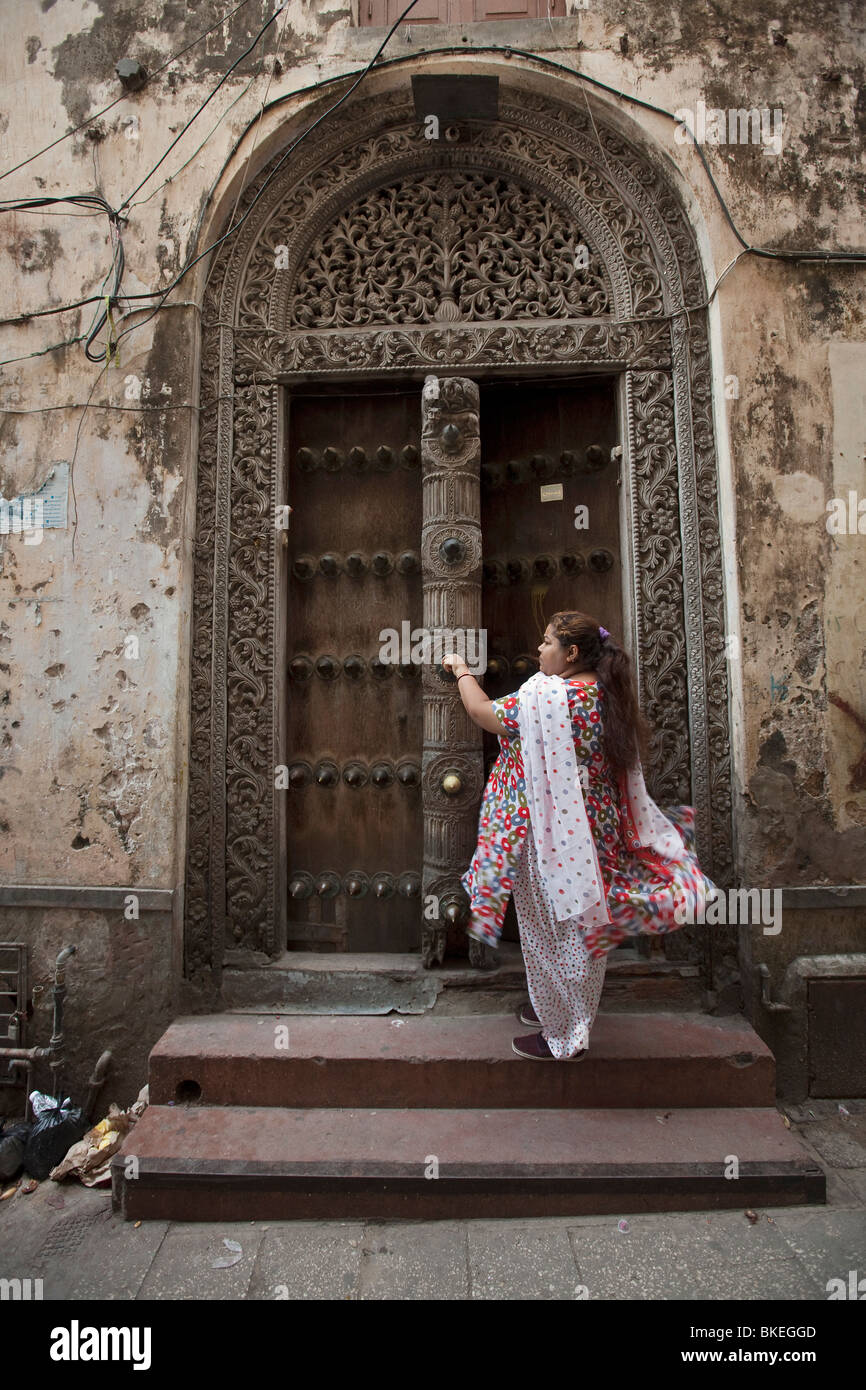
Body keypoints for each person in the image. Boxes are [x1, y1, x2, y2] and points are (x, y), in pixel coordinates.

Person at [442, 612, 715, 1061]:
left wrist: (461, 670)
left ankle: (565, 1036)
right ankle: (559, 1010)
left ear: (570, 653)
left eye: (547, 642)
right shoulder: (607, 694)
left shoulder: (548, 697)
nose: (539, 649)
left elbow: (482, 713)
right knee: (584, 924)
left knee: (550, 926)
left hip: (550, 831)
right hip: (597, 828)